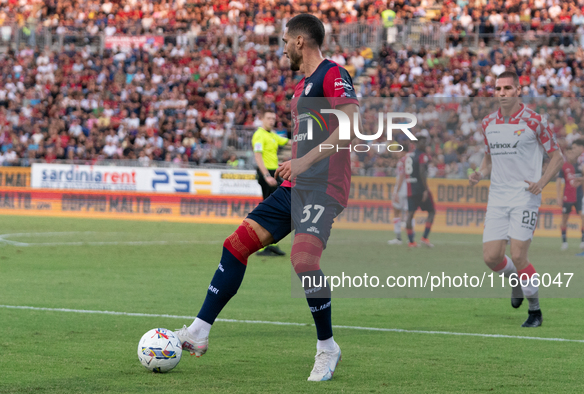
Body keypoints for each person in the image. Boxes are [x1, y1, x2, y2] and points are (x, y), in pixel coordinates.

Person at [174, 13, 359, 382]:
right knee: (236, 244)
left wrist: (304, 160)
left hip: (324, 188)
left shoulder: (332, 74)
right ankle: (199, 330)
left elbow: (351, 126)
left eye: (285, 40)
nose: (283, 47)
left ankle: (327, 347)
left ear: (300, 41)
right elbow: (309, 136)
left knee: (304, 261)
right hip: (295, 188)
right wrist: (295, 159)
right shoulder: (300, 88)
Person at [469, 71, 563, 327]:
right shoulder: (488, 123)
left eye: (508, 88)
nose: (502, 93)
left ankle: (535, 311)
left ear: (518, 91)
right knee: (491, 257)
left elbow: (557, 156)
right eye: (498, 89)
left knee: (519, 255)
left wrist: (541, 183)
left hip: (525, 196)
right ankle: (516, 284)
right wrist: (480, 172)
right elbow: (488, 158)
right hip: (497, 197)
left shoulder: (535, 121)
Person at [252, 110, 291, 256]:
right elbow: (257, 156)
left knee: (275, 209)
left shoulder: (272, 135)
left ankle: (269, 244)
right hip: (267, 174)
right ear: (261, 118)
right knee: (269, 209)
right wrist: (266, 175)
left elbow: (288, 142)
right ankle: (261, 246)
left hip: (274, 173)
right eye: (268, 118)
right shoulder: (259, 135)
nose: (271, 121)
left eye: (273, 118)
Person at [405, 135, 436, 248]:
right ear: (418, 143)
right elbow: (422, 172)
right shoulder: (422, 156)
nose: (425, 144)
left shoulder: (409, 155)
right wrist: (425, 189)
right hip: (420, 188)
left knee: (410, 214)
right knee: (432, 211)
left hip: (410, 187)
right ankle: (424, 238)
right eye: (423, 142)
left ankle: (411, 241)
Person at [556, 139, 584, 251]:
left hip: (579, 196)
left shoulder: (580, 165)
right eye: (568, 152)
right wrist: (558, 197)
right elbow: (558, 182)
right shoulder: (563, 166)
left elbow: (583, 182)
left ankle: (583, 241)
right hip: (567, 197)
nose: (570, 154)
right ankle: (564, 243)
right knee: (564, 219)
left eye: (572, 152)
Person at [388, 150, 413, 245]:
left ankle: (398, 238)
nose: (396, 153)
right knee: (409, 213)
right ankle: (410, 238)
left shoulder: (402, 161)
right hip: (410, 188)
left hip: (402, 188)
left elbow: (401, 176)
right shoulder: (412, 159)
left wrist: (396, 192)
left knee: (396, 211)